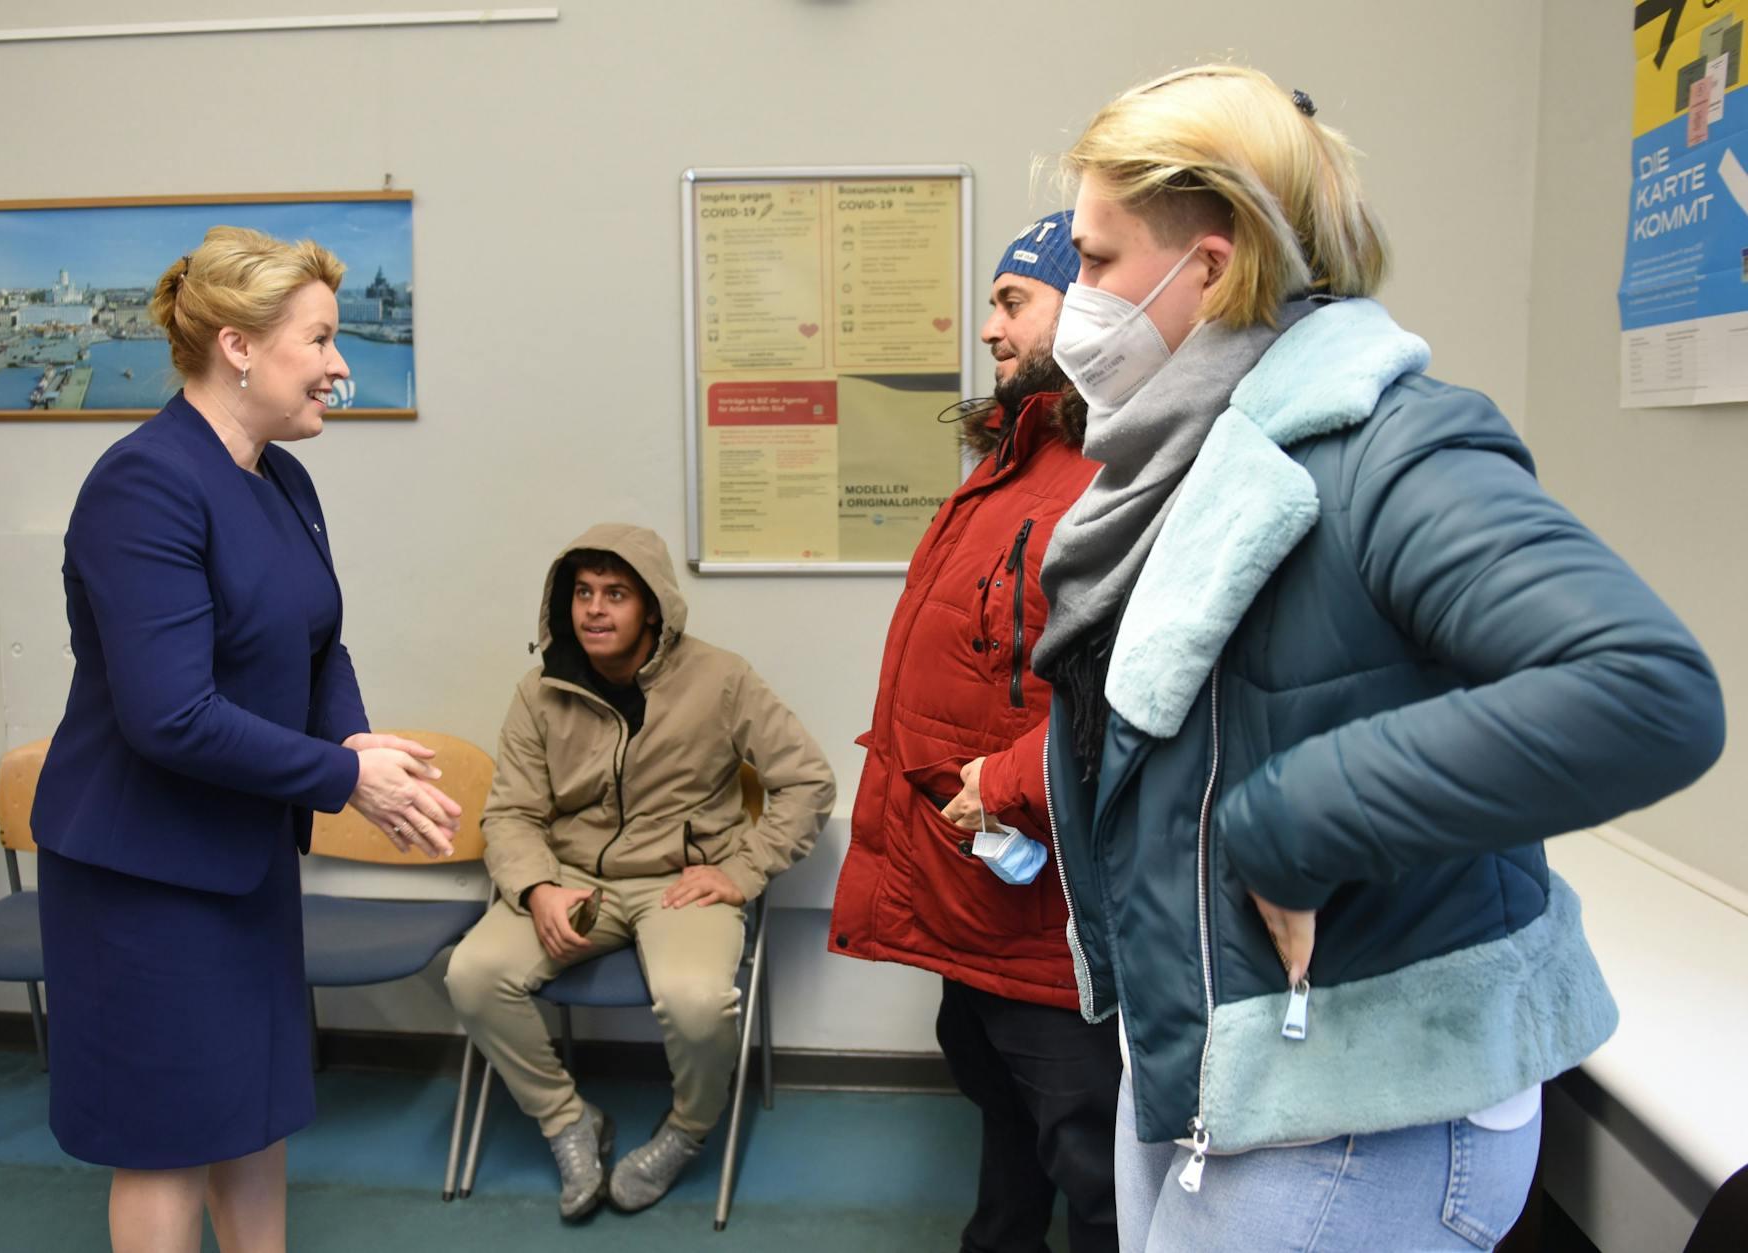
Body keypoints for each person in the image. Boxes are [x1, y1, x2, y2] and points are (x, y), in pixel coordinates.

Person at [1030, 66, 1726, 1250]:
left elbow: (1641, 687)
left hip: (1360, 1106)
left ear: (1210, 261)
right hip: (1215, 1054)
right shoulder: (1180, 459)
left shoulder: (1388, 440)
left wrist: (1290, 822)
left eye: (1095, 261)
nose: (1071, 296)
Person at [31, 226, 462, 1253]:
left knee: (252, 1115)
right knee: (170, 1138)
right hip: (143, 873)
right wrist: (343, 775)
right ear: (237, 345)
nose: (338, 364)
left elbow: (317, 641)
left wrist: (359, 741)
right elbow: (168, 713)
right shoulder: (144, 485)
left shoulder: (279, 478)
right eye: (318, 338)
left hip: (240, 856)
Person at [828, 212, 1121, 1253]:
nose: (988, 328)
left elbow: (1132, 703)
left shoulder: (1108, 478)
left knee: (1096, 1168)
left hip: (1048, 908)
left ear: (1081, 308)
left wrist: (1003, 780)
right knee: (1002, 1116)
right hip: (980, 888)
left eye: (1011, 300)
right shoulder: (1009, 462)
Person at [445, 524, 835, 1220]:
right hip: (570, 879)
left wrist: (743, 871)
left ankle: (686, 1129)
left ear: (652, 607)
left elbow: (806, 780)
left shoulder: (721, 678)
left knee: (696, 1001)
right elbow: (509, 813)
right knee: (471, 975)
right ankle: (569, 1122)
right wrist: (536, 888)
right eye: (584, 593)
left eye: (615, 594)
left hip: (679, 881)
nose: (595, 609)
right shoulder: (541, 692)